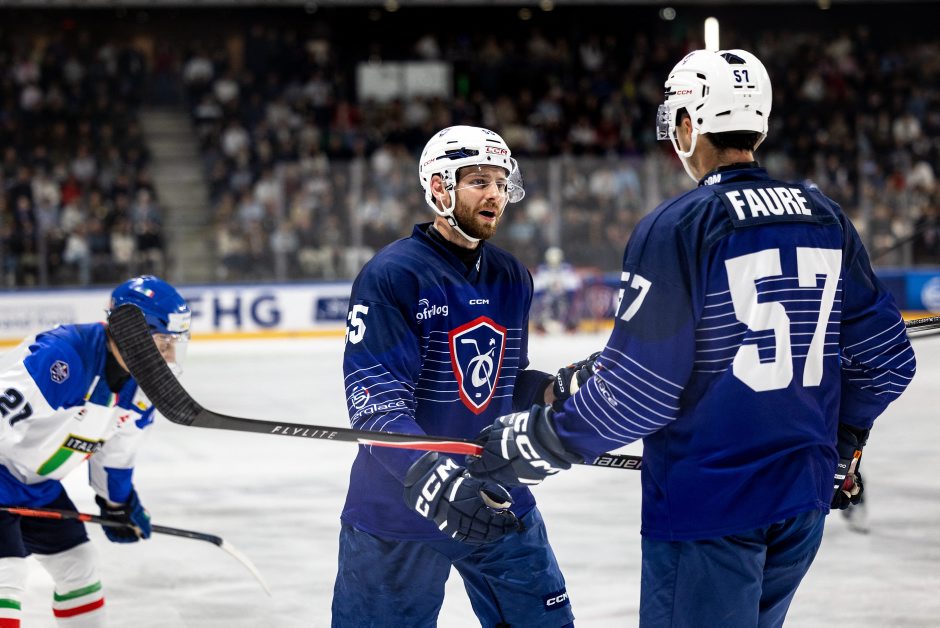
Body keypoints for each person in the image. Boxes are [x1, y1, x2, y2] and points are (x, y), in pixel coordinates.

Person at [467, 49, 916, 626]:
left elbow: (638, 395)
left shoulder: (679, 225)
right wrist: (841, 442)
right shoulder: (825, 216)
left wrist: (538, 440)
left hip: (711, 507)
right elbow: (886, 362)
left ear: (687, 124)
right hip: (800, 503)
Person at [332, 126, 584, 627]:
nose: (495, 194)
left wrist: (555, 390)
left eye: (501, 183)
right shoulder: (393, 274)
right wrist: (433, 478)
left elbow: (502, 382)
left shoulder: (512, 276)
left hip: (495, 493)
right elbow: (375, 400)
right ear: (439, 188)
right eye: (478, 181)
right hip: (400, 509)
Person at [0, 275, 191, 627]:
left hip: (38, 487)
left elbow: (115, 457)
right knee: (5, 573)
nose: (169, 356)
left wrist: (118, 504)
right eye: (163, 343)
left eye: (175, 344)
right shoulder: (65, 356)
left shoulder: (142, 389)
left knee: (78, 566)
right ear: (131, 333)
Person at [532, 246, 583, 333]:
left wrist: (565, 287)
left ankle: (571, 325)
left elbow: (575, 283)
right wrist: (545, 287)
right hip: (547, 295)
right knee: (539, 301)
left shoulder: (566, 268)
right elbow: (536, 284)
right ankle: (540, 325)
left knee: (574, 302)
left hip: (563, 295)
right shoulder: (542, 269)